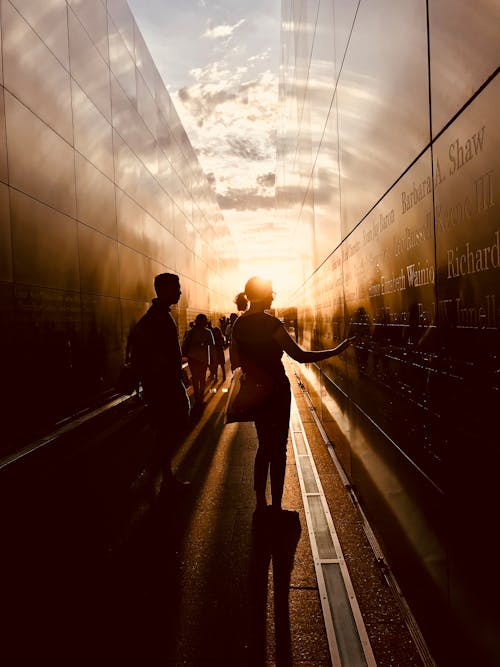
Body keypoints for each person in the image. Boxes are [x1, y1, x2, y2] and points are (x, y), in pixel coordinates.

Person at [230, 276, 355, 513]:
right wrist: (336, 351)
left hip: (255, 391)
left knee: (263, 445)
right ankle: (276, 505)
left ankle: (260, 503)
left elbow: (235, 361)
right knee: (278, 447)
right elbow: (299, 356)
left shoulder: (239, 324)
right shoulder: (271, 324)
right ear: (266, 295)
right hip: (276, 390)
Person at [130, 273, 191, 493]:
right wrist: (170, 376)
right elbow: (154, 355)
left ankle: (164, 477)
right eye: (176, 288)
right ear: (163, 289)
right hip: (163, 386)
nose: (180, 292)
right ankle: (150, 475)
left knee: (167, 429)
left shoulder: (157, 316)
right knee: (171, 427)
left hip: (162, 384)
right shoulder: (157, 318)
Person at [181, 313, 214, 404]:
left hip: (193, 359)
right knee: (202, 378)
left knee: (195, 379)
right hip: (203, 359)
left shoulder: (191, 332)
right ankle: (201, 397)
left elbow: (184, 345)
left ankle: (197, 397)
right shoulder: (208, 332)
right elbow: (212, 346)